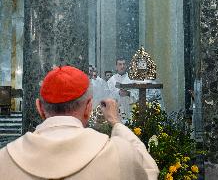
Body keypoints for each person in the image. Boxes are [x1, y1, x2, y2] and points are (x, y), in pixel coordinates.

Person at [0, 66, 159, 180]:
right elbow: (149, 171)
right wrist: (116, 123)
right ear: (89, 107)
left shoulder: (5, 158)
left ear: (39, 108)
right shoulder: (117, 153)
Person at [107, 57, 138, 122]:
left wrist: (128, 93)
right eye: (120, 64)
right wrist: (118, 93)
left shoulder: (132, 79)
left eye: (124, 64)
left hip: (130, 111)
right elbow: (107, 96)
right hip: (116, 112)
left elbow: (138, 95)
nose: (122, 66)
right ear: (116, 66)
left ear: (126, 66)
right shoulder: (111, 81)